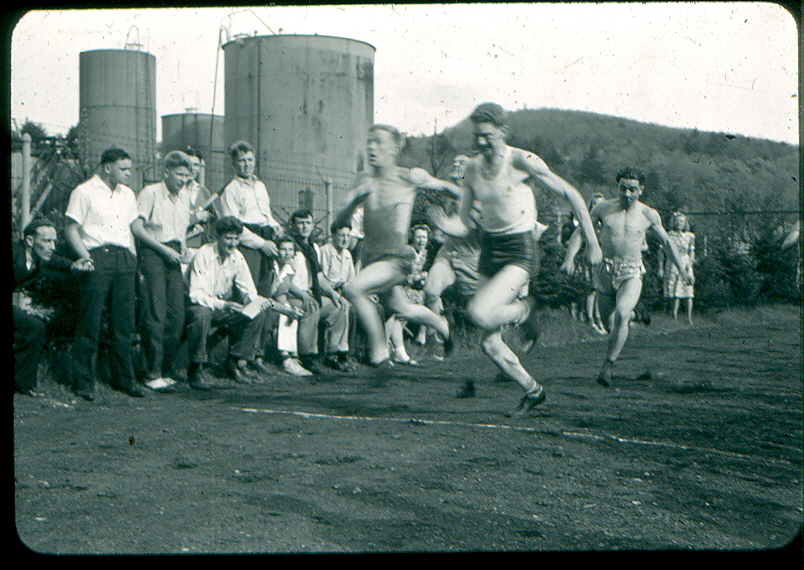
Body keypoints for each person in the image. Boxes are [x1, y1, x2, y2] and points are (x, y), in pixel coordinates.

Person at [446, 103, 602, 416]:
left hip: (520, 250)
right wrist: (442, 224)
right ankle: (533, 391)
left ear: (503, 132)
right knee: (489, 343)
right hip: (491, 250)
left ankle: (524, 309)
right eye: (476, 136)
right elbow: (462, 222)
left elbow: (571, 194)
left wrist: (592, 242)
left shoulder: (521, 160)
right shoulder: (472, 168)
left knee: (479, 312)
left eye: (487, 136)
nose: (479, 143)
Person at [334, 124, 461, 369]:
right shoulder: (362, 179)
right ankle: (444, 325)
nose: (371, 147)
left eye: (378, 142)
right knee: (401, 308)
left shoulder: (409, 176)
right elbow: (338, 223)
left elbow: (447, 187)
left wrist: (473, 200)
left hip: (396, 259)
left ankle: (380, 354)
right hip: (371, 258)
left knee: (353, 289)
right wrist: (352, 204)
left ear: (394, 148)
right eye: (369, 141)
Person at [565, 167, 693, 387]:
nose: (627, 194)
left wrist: (682, 270)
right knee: (610, 324)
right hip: (604, 271)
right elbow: (580, 232)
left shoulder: (648, 214)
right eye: (623, 188)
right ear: (618, 187)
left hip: (631, 272)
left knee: (621, 315)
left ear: (640, 190)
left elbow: (667, 243)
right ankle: (635, 315)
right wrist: (569, 258)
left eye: (632, 189)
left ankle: (608, 366)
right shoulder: (603, 209)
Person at [64, 147, 147, 401]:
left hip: (124, 258)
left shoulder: (128, 195)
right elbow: (71, 228)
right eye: (124, 169)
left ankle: (124, 380)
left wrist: (133, 260)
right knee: (90, 320)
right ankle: (84, 383)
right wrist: (85, 257)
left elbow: (132, 228)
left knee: (124, 323)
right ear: (107, 167)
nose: (129, 174)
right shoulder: (84, 191)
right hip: (97, 256)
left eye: (130, 169)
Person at [185, 216, 298, 389]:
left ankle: (234, 361)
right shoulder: (204, 254)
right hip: (198, 304)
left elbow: (249, 290)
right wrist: (225, 305)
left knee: (258, 310)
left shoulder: (237, 257)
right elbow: (197, 294)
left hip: (221, 305)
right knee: (202, 314)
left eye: (236, 238)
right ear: (218, 237)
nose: (232, 243)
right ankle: (196, 367)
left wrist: (250, 301)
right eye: (228, 238)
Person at [130, 150, 196, 392]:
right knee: (155, 313)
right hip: (153, 253)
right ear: (166, 172)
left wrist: (184, 249)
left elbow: (182, 231)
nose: (182, 180)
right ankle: (152, 372)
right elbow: (137, 228)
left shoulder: (185, 197)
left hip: (174, 255)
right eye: (179, 174)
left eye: (187, 176)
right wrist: (163, 249)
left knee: (176, 314)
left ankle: (166, 369)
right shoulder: (150, 193)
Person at [13, 218, 93, 396]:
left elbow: (56, 260)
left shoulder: (39, 257)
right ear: (30, 241)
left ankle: (23, 385)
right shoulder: (14, 253)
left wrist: (73, 265)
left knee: (34, 328)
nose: (53, 246)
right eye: (47, 241)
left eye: (54, 241)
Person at [287, 208, 353, 373]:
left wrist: (333, 294)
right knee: (311, 306)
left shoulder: (313, 247)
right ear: (293, 225)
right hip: (293, 294)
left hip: (310, 293)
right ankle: (306, 356)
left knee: (339, 306)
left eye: (308, 223)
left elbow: (319, 277)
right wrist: (303, 295)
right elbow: (284, 281)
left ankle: (334, 353)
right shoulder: (290, 246)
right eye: (300, 223)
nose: (304, 227)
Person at [217, 140, 282, 297]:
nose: (247, 165)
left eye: (250, 160)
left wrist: (276, 226)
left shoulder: (260, 186)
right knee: (248, 291)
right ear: (234, 163)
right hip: (248, 244)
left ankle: (264, 321)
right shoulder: (231, 190)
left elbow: (266, 215)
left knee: (266, 289)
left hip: (266, 239)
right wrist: (261, 244)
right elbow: (233, 227)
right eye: (242, 160)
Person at [561, 193, 608, 334]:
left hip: (605, 259)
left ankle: (601, 319)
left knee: (602, 290)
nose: (597, 206)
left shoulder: (606, 222)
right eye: (594, 203)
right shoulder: (588, 223)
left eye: (600, 204)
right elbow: (577, 237)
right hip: (589, 259)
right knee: (591, 289)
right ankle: (591, 319)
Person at [268, 236, 312, 376]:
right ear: (277, 250)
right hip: (263, 302)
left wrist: (288, 307)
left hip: (274, 303)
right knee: (286, 312)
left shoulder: (288, 269)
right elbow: (267, 295)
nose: (286, 253)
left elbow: (281, 294)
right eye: (283, 249)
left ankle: (292, 358)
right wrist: (286, 309)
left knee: (292, 311)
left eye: (290, 250)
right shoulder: (271, 266)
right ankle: (286, 360)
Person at [659, 212, 696, 324]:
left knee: (688, 290)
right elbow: (662, 251)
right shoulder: (669, 235)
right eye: (677, 221)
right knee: (674, 290)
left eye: (681, 221)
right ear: (673, 223)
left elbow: (691, 251)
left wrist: (690, 263)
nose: (679, 224)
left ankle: (688, 317)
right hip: (672, 262)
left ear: (685, 223)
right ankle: (673, 315)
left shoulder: (690, 236)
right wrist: (660, 267)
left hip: (685, 263)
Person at [183, 147, 216, 249]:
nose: (192, 168)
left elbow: (214, 219)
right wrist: (196, 218)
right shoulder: (174, 191)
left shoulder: (203, 191)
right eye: (188, 164)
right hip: (181, 247)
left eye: (196, 165)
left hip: (201, 247)